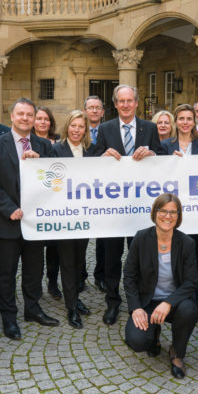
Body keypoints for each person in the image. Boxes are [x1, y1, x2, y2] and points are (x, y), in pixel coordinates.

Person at [0, 97, 59, 340]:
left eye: (29, 114)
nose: (25, 118)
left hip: (35, 223)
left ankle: (33, 309)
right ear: (12, 116)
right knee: (6, 273)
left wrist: (41, 165)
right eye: (20, 114)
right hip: (7, 221)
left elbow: (53, 180)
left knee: (34, 270)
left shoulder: (43, 145)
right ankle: (9, 317)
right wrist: (9, 208)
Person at [94, 84, 165, 325]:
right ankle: (112, 302)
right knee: (112, 258)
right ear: (115, 104)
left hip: (142, 207)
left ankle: (142, 303)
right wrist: (101, 158)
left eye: (129, 101)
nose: (125, 105)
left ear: (136, 103)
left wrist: (153, 154)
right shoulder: (104, 129)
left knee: (142, 257)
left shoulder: (150, 128)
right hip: (114, 208)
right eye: (120, 101)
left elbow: (163, 157)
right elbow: (93, 162)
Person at [123, 193, 198, 379]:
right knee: (137, 341)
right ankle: (154, 335)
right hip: (148, 301)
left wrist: (168, 303)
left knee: (189, 310)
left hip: (176, 302)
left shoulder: (187, 243)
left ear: (179, 216)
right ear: (155, 212)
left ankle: (177, 353)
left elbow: (190, 282)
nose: (168, 216)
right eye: (163, 211)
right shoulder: (141, 238)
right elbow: (129, 276)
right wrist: (136, 308)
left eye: (173, 212)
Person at [162, 103, 198, 306]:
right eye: (181, 118)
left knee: (194, 250)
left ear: (194, 122)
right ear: (176, 121)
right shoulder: (166, 145)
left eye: (189, 119)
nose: (185, 122)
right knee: (176, 249)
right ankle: (175, 290)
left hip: (197, 206)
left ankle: (192, 292)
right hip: (173, 206)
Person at [51, 110, 94, 328]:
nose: (76, 130)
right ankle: (71, 308)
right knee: (67, 263)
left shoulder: (90, 151)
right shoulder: (56, 150)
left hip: (84, 216)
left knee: (79, 261)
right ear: (67, 126)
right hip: (64, 216)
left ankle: (76, 298)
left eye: (81, 126)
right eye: (73, 125)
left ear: (86, 130)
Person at [34, 105, 63, 300]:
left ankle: (53, 283)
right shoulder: (27, 143)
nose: (43, 122)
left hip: (56, 202)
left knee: (54, 249)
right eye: (39, 118)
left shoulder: (60, 142)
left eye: (46, 119)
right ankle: (35, 284)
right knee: (35, 250)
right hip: (35, 203)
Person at [84, 95, 106, 291]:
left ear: (103, 112)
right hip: (83, 190)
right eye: (91, 107)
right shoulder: (78, 131)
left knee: (103, 236)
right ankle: (80, 276)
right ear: (85, 111)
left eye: (98, 108)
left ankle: (100, 274)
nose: (94, 111)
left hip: (104, 189)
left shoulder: (107, 131)